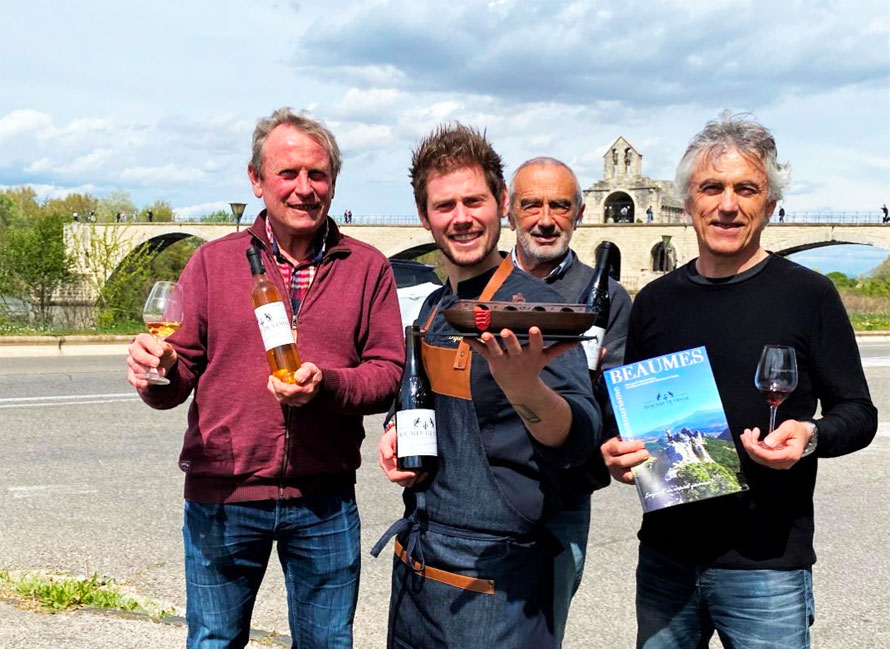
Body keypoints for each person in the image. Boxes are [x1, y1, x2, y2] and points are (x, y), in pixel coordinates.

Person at [126, 107, 404, 649]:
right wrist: (158, 372)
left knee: (326, 644)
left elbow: (388, 373)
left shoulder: (367, 266)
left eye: (317, 174)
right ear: (257, 181)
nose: (304, 188)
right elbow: (177, 376)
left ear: (332, 182)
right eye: (288, 173)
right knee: (213, 641)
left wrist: (327, 387)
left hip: (324, 499)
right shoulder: (213, 263)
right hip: (223, 494)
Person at [601, 112, 877, 649]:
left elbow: (859, 413)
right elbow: (627, 414)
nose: (727, 204)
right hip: (665, 560)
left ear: (768, 205)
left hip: (768, 566)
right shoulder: (655, 301)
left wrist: (810, 435)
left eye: (745, 189)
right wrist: (615, 453)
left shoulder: (810, 296)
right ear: (688, 204)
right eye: (712, 188)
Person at [374, 124, 600, 648]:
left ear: (501, 204)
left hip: (501, 584)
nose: (461, 218)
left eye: (473, 201)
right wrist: (393, 432)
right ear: (424, 216)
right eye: (444, 205)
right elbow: (414, 398)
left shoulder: (533, 311)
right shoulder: (432, 309)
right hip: (418, 573)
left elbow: (580, 433)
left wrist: (525, 390)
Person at [507, 156, 632, 647]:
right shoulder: (485, 287)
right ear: (509, 210)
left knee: (543, 629)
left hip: (562, 496)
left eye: (559, 206)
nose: (545, 218)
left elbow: (618, 392)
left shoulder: (607, 296)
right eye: (531, 204)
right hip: (488, 493)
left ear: (579, 214)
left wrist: (613, 442)